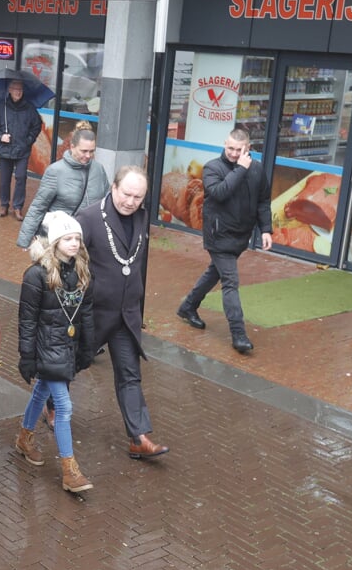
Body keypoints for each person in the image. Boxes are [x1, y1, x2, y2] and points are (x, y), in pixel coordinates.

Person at [76, 166, 169, 460]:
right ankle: (51, 403)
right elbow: (70, 263)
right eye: (126, 194)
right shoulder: (89, 218)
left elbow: (137, 262)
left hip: (126, 316)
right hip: (94, 313)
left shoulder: (141, 217)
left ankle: (138, 437)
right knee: (74, 363)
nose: (131, 202)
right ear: (114, 188)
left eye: (137, 197)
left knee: (130, 375)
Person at [175, 127, 274, 354]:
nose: (232, 153)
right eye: (230, 148)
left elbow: (263, 201)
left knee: (215, 272)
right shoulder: (212, 167)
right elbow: (219, 192)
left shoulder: (257, 169)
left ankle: (188, 306)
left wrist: (266, 230)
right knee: (230, 281)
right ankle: (239, 335)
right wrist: (240, 168)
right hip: (218, 236)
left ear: (247, 148)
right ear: (224, 144)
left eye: (238, 150)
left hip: (241, 235)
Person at [16, 210, 95, 492]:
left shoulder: (82, 271)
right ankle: (69, 469)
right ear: (54, 241)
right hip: (45, 348)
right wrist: (27, 356)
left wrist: (87, 348)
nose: (74, 243)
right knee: (64, 406)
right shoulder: (36, 275)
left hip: (67, 347)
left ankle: (24, 438)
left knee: (42, 392)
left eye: (77, 238)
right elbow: (27, 320)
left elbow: (86, 313)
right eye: (67, 238)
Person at [17, 121, 109, 247]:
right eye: (84, 151)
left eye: (92, 151)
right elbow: (38, 206)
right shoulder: (55, 171)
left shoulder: (99, 169)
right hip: (61, 238)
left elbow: (106, 203)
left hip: (88, 238)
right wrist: (25, 240)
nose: (88, 156)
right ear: (72, 147)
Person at [0, 78, 43, 221]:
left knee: (21, 177)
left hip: (22, 150)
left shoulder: (29, 108)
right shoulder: (1, 107)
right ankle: (4, 205)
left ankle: (17, 207)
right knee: (4, 179)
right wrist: (0, 136)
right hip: (5, 150)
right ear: (10, 91)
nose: (18, 92)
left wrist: (28, 140)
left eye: (20, 90)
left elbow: (37, 126)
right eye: (15, 89)